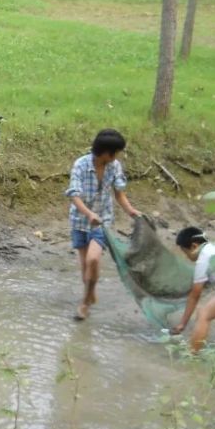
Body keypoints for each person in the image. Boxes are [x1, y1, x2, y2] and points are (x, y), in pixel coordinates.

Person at [65, 129, 142, 321]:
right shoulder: (81, 165)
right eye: (115, 152)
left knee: (93, 259)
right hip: (80, 220)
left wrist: (131, 211)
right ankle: (90, 291)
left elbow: (119, 193)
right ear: (105, 152)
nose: (116, 157)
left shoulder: (114, 166)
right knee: (85, 267)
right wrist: (89, 214)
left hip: (103, 220)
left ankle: (84, 304)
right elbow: (74, 195)